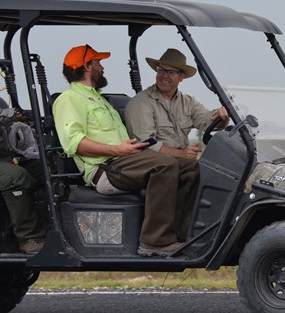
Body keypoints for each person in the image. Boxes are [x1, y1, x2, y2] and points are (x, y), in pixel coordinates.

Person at [52, 44, 199, 256]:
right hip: (105, 169)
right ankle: (155, 242)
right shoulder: (69, 100)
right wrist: (116, 149)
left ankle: (180, 234)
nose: (102, 68)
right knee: (164, 164)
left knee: (191, 167)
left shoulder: (98, 98)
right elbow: (74, 143)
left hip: (124, 162)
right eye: (98, 63)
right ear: (86, 66)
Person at [125, 48, 228, 159]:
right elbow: (146, 144)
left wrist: (221, 117)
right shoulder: (141, 102)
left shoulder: (188, 102)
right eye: (161, 70)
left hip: (179, 162)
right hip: (154, 164)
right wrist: (182, 154)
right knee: (196, 171)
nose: (164, 76)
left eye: (171, 72)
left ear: (181, 77)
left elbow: (205, 119)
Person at [1, 108, 48, 254]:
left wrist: (18, 118)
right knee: (15, 177)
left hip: (6, 158)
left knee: (48, 168)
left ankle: (58, 229)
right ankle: (30, 238)